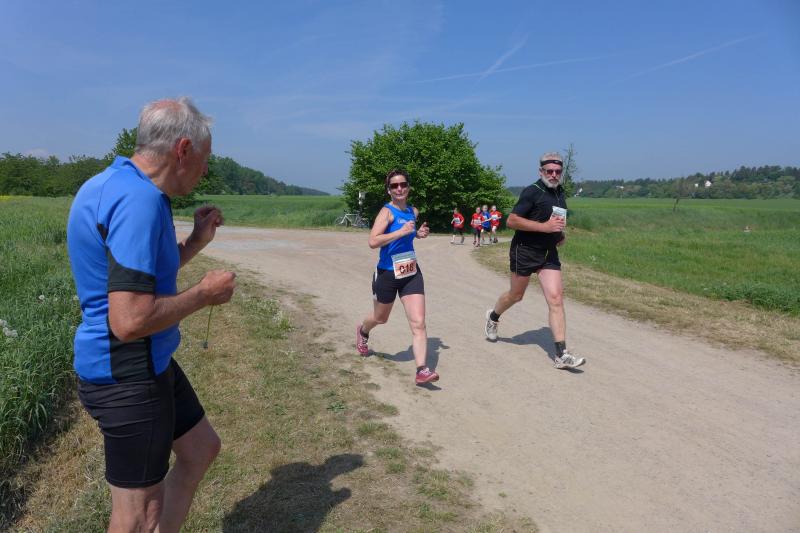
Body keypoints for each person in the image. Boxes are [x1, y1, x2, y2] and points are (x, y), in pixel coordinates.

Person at [66, 97, 237, 532]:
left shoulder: (116, 185)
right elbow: (129, 321)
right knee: (138, 514)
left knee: (200, 449)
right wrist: (204, 294)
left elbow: (141, 280)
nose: (205, 170)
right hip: (128, 375)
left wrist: (195, 243)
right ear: (183, 149)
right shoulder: (138, 200)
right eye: (205, 158)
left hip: (148, 362)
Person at [483, 152, 585, 369]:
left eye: (558, 171)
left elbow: (555, 218)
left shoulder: (559, 192)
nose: (554, 175)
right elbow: (512, 221)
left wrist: (558, 234)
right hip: (525, 251)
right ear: (541, 172)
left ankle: (561, 354)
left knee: (556, 298)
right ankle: (493, 316)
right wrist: (544, 227)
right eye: (550, 171)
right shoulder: (532, 191)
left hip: (548, 253)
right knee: (516, 295)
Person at [355, 169, 439, 385]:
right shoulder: (387, 212)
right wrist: (401, 232)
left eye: (403, 184)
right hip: (387, 273)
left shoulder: (413, 211)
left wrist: (417, 234)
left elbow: (408, 235)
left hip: (410, 271)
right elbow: (373, 241)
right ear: (389, 190)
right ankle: (363, 331)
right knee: (380, 318)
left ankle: (422, 370)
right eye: (394, 186)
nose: (399, 188)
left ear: (408, 187)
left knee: (419, 323)